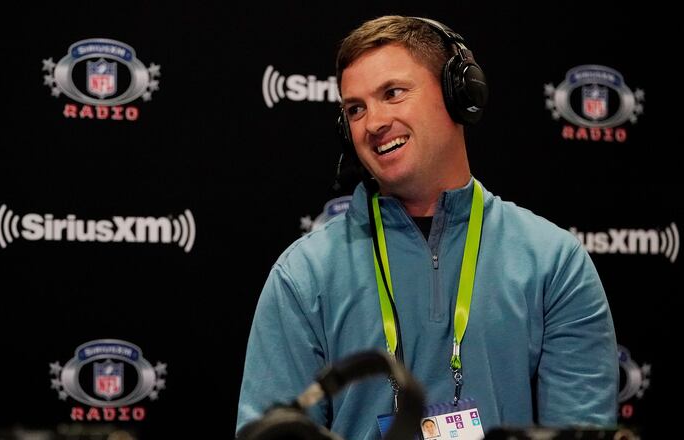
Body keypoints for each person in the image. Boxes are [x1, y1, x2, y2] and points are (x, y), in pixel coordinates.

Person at [237, 15, 618, 439]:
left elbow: (581, 430)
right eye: (355, 109)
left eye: (393, 93)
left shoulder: (553, 263)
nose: (374, 122)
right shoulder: (303, 275)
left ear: (459, 94)